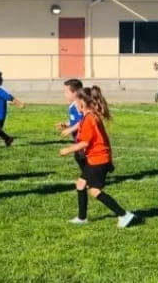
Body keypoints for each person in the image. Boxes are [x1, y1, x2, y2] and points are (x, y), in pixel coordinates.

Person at [60, 87, 135, 227]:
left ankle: (124, 215)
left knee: (94, 191)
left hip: (98, 160)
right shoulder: (91, 116)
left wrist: (68, 150)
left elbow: (85, 142)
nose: (75, 105)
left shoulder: (90, 119)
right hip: (98, 159)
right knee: (81, 184)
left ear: (82, 102)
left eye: (76, 102)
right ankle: (82, 218)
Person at [0, 69, 24, 149]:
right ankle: (8, 139)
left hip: (0, 115)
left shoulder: (0, 91)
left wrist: (19, 104)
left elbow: (11, 98)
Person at [55, 79, 86, 169]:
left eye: (66, 92)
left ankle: (89, 175)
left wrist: (71, 129)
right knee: (79, 157)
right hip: (78, 137)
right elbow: (76, 120)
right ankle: (88, 175)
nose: (64, 95)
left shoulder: (79, 104)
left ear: (75, 92)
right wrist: (67, 124)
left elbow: (84, 120)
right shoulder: (73, 104)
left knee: (81, 156)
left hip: (83, 137)